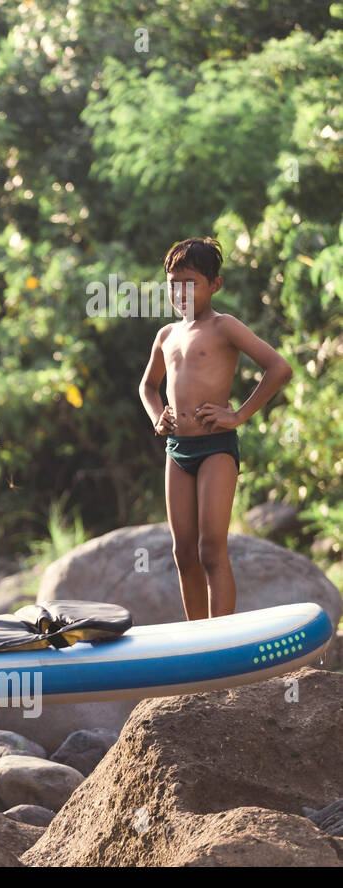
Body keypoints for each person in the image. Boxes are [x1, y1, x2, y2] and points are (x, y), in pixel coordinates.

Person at [138, 237, 292, 619]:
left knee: (210, 549)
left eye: (190, 282)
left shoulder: (225, 327)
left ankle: (221, 644)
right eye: (173, 283)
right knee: (183, 552)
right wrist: (158, 416)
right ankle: (197, 644)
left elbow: (279, 368)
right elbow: (147, 387)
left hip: (216, 448)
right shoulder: (166, 335)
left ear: (215, 285)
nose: (180, 291)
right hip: (178, 451)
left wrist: (238, 415)